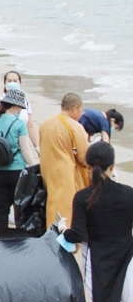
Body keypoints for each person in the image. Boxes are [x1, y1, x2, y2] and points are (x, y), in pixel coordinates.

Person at [58, 142, 133, 302]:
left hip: (98, 263)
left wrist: (62, 230)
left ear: (88, 167)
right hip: (128, 261)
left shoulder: (83, 197)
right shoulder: (129, 193)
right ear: (113, 166)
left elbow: (76, 235)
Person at [0, 87, 38, 237]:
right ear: (16, 106)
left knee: (1, 207)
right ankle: (20, 236)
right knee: (19, 206)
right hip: (17, 172)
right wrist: (34, 168)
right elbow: (25, 150)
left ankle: (2, 237)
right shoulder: (19, 125)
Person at [39, 93, 90, 226]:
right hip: (66, 175)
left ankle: (51, 238)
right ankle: (67, 243)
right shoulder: (75, 127)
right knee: (67, 210)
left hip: (47, 171)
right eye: (81, 111)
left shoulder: (46, 124)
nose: (81, 114)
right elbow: (84, 157)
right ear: (75, 108)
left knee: (52, 206)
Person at [0, 71, 37, 147]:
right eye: (9, 81)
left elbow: (30, 127)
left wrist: (37, 147)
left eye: (15, 81)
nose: (12, 83)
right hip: (4, 146)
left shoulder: (25, 102)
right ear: (5, 83)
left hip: (23, 144)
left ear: (20, 83)